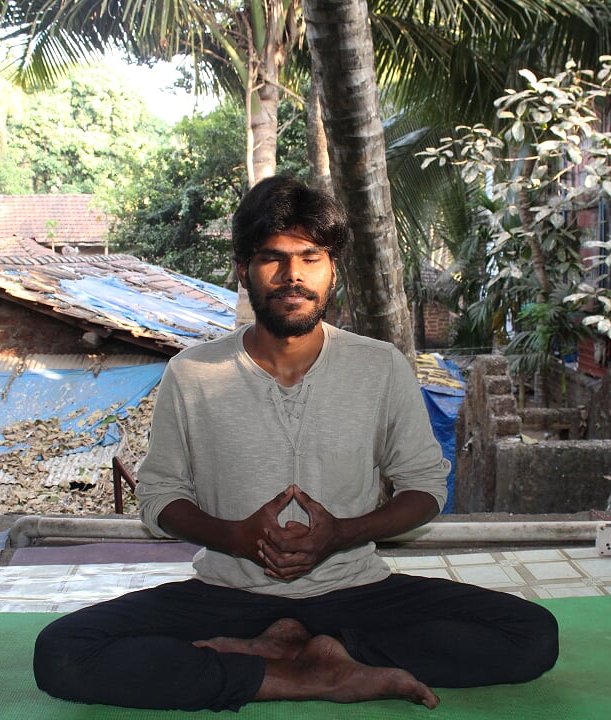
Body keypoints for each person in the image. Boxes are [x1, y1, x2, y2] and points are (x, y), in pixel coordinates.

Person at [33, 175, 559, 711]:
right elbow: (159, 496)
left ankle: (321, 652)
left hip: (354, 591)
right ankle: (297, 674)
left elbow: (425, 489)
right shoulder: (192, 373)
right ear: (243, 269)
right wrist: (236, 538)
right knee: (63, 653)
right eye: (273, 258)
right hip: (229, 594)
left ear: (333, 270)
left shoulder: (379, 367)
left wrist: (343, 534)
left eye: (311, 258)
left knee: (532, 634)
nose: (293, 276)